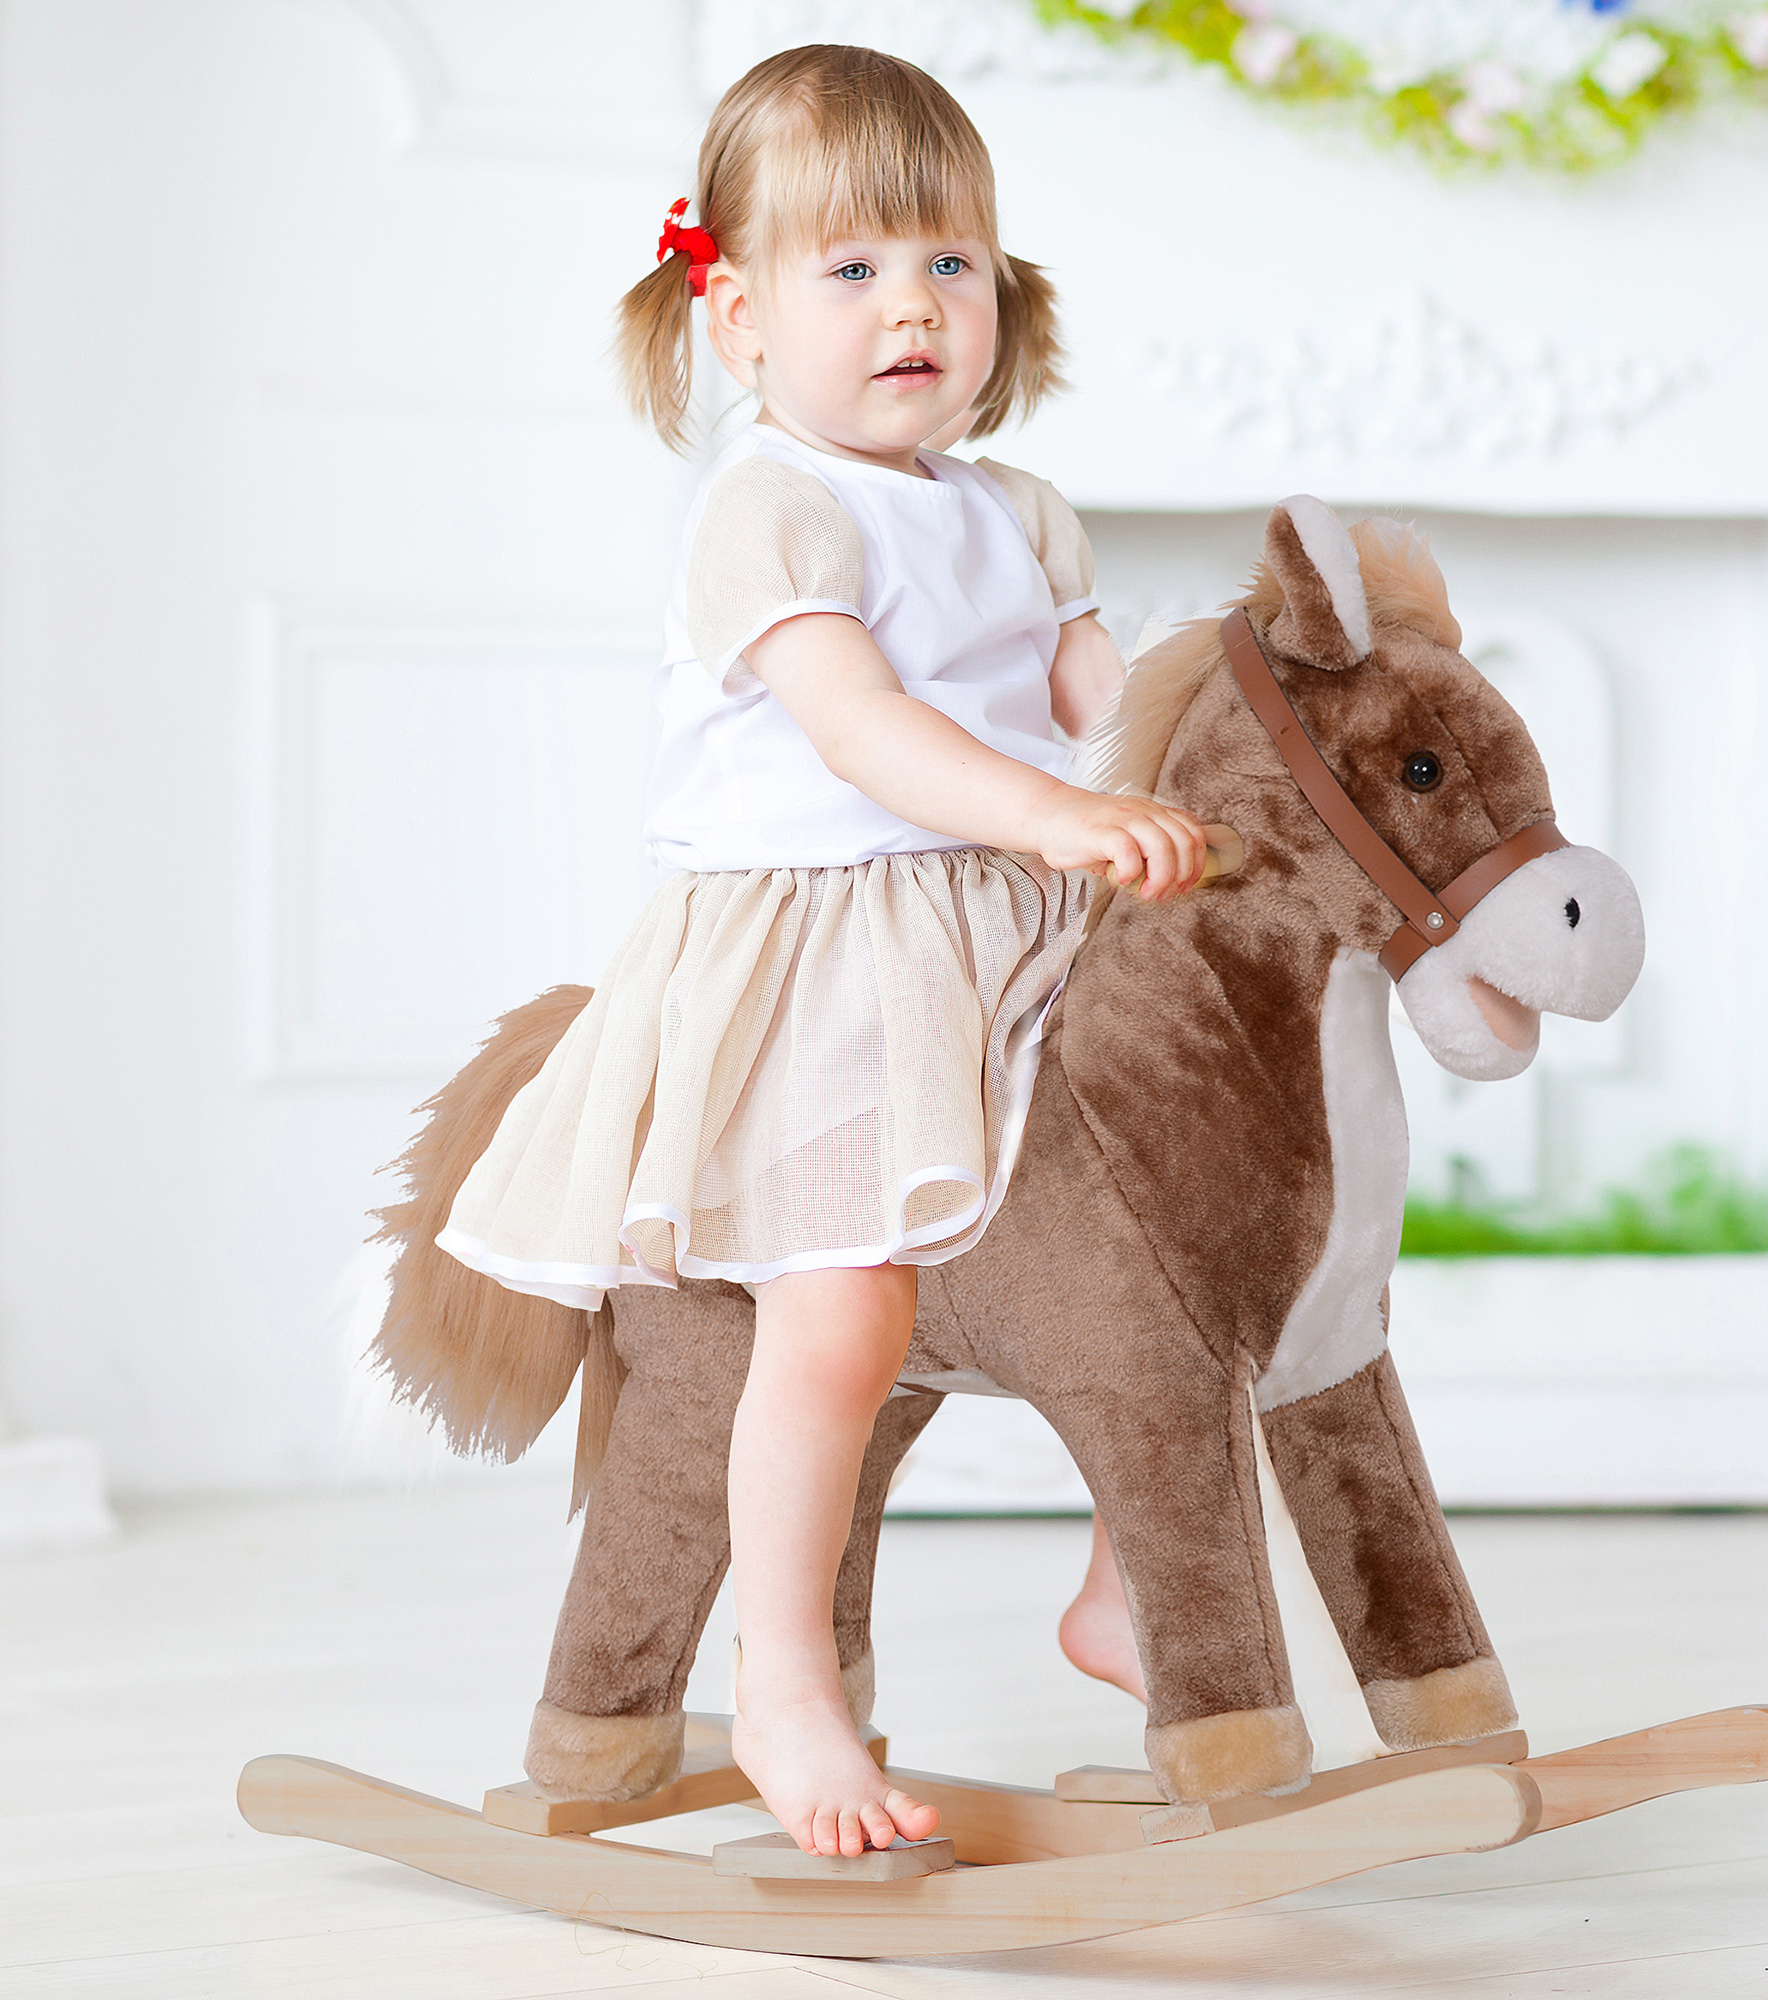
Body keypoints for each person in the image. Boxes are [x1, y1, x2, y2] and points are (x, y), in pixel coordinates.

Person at [436, 44, 1207, 1859]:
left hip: (1007, 925)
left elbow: (1105, 706)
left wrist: (1184, 783)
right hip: (826, 953)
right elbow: (863, 730)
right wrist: (1054, 811)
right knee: (842, 1302)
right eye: (851, 269)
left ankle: (1128, 1583)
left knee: (1178, 1207)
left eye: (950, 263)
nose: (912, 307)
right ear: (738, 319)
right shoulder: (769, 508)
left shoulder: (1019, 511)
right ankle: (784, 1672)